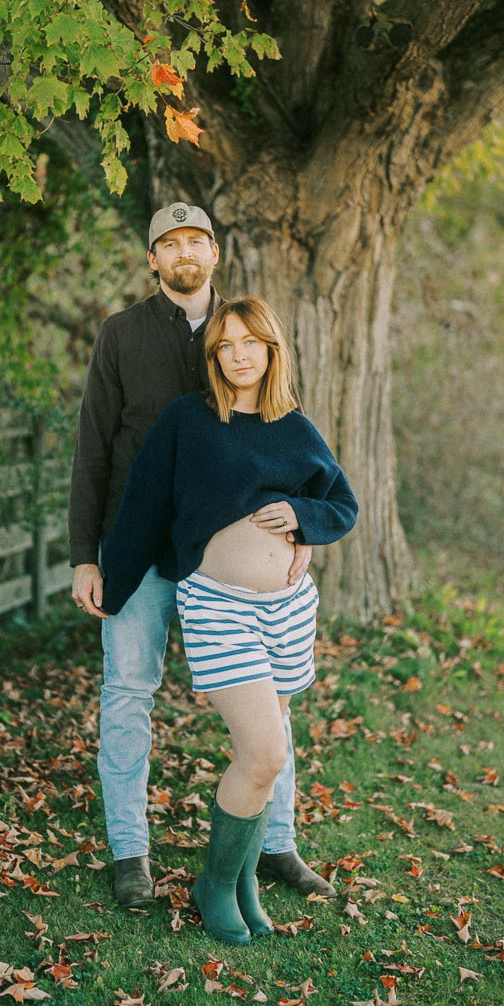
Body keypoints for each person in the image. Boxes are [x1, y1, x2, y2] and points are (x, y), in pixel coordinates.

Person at [69, 204, 335, 909]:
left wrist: (301, 528)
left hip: (228, 567)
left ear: (215, 253)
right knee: (128, 690)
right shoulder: (121, 335)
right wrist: (83, 555)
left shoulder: (243, 329)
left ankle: (276, 842)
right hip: (138, 543)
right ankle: (130, 851)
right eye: (169, 243)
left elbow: (284, 446)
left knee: (274, 705)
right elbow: (93, 447)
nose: (184, 251)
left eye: (197, 240)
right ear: (153, 259)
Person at [99, 297, 358, 944]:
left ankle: (243, 877)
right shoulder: (188, 419)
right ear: (213, 357)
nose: (239, 354)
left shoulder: (294, 428)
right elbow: (142, 506)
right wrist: (110, 584)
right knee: (265, 750)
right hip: (219, 606)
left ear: (272, 350)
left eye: (251, 342)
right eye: (225, 345)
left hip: (288, 610)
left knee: (265, 750)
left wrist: (304, 519)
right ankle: (214, 884)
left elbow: (342, 504)